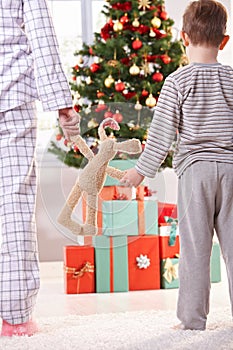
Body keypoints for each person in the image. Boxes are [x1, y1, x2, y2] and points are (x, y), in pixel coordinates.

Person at [121, 0, 233, 331]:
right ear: (224, 40)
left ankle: (192, 320)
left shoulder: (176, 82)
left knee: (195, 250)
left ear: (183, 37)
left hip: (195, 173)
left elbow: (160, 136)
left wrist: (139, 172)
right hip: (231, 171)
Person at [0, 0, 80, 336]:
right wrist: (62, 104)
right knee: (15, 203)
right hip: (12, 93)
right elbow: (42, 38)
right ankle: (16, 317)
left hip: (13, 94)